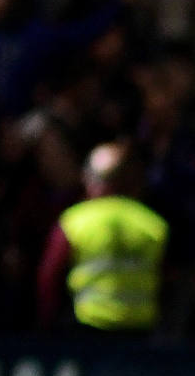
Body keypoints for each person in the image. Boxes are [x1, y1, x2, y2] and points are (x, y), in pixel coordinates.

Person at [36, 141, 166, 332]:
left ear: (91, 180)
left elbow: (48, 278)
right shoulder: (153, 224)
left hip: (87, 330)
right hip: (141, 334)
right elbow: (167, 278)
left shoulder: (74, 221)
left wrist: (47, 325)